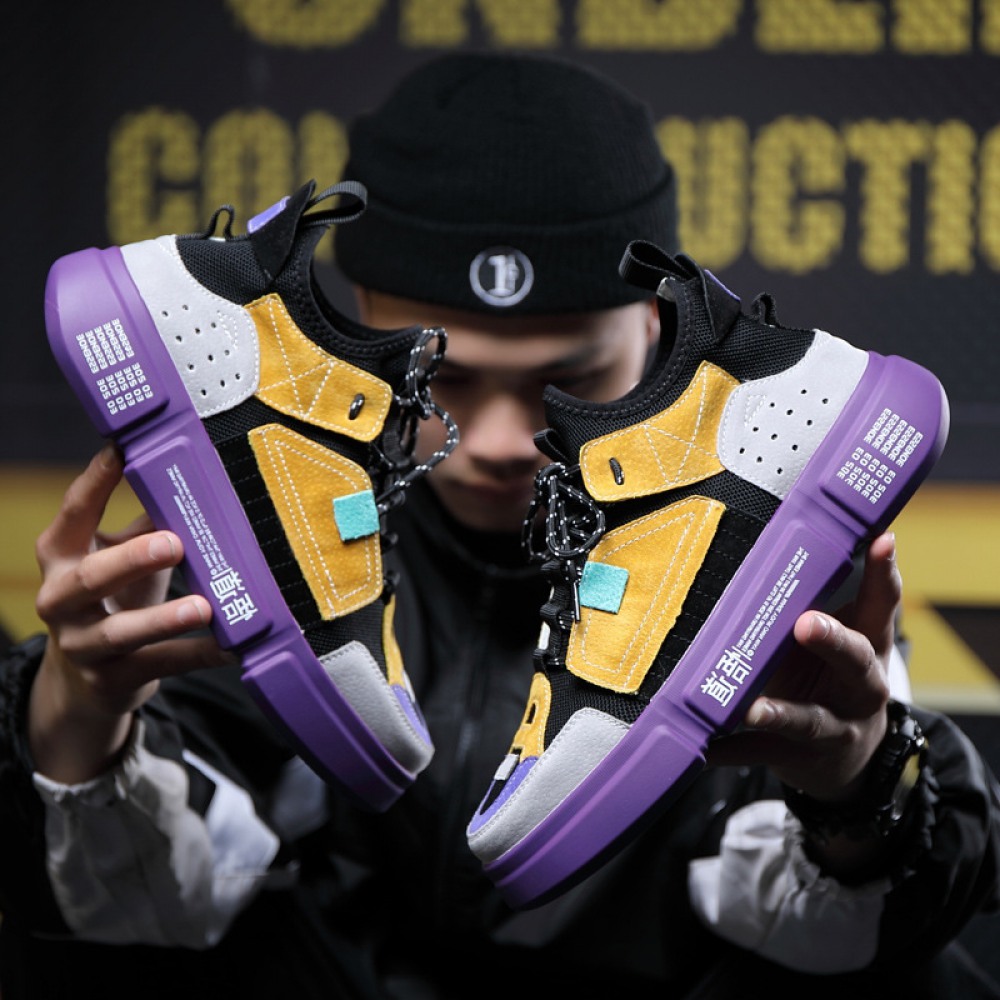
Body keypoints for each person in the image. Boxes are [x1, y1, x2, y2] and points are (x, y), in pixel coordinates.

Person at [1, 52, 998, 999]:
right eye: (441, 375)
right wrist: (77, 713)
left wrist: (859, 788)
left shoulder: (778, 553)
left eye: (569, 379)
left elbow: (850, 935)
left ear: (658, 326)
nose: (497, 440)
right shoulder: (239, 526)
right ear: (358, 321)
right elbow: (150, 900)